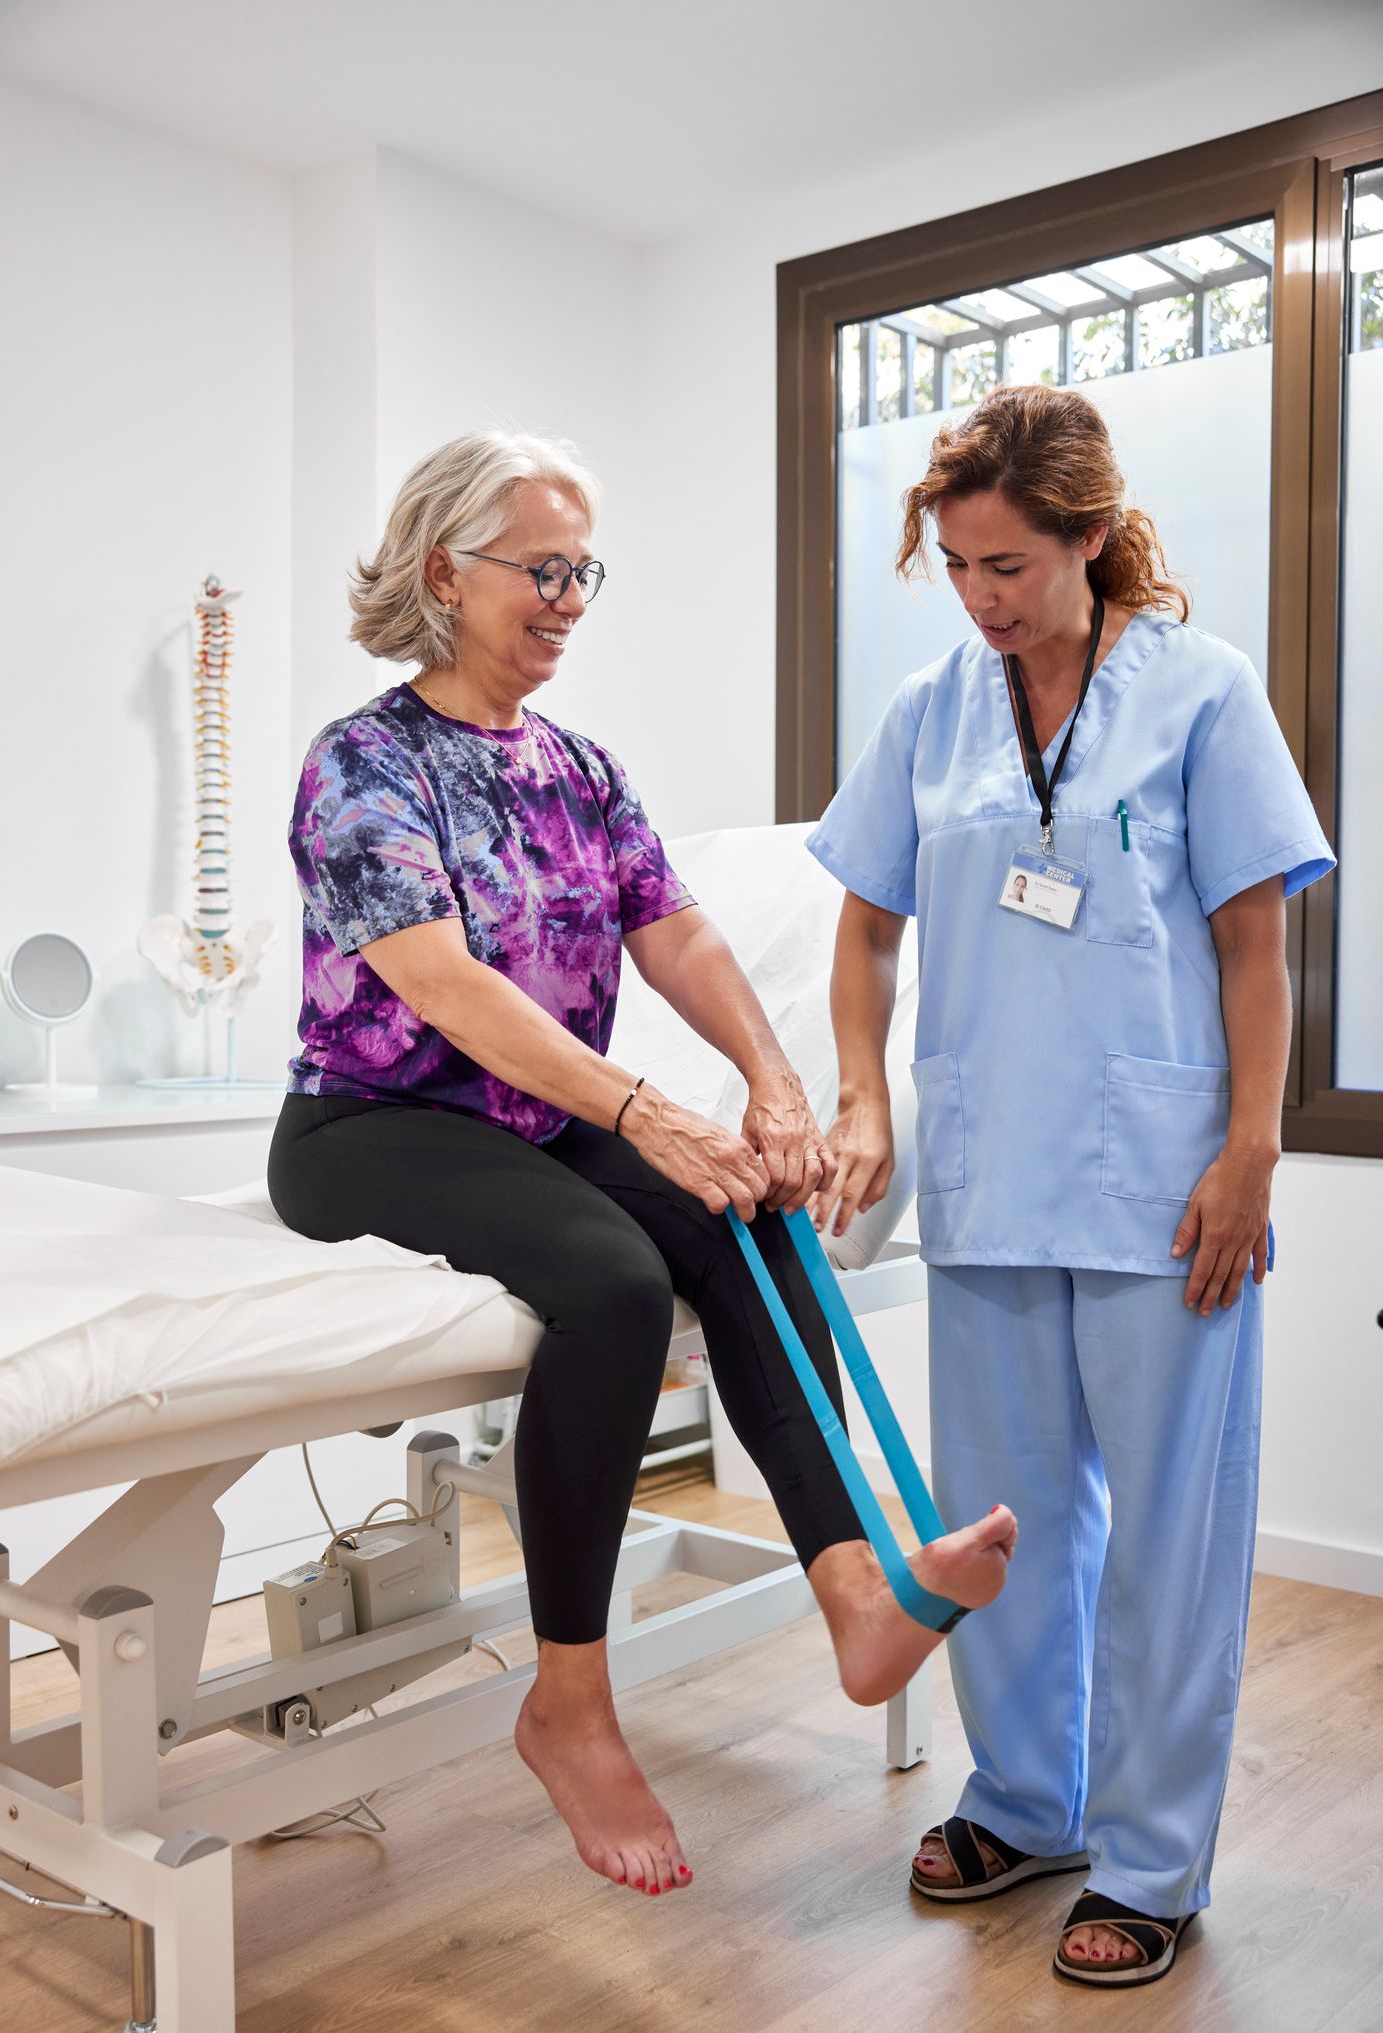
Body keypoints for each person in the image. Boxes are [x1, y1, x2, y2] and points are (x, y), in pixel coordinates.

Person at [269, 431, 1018, 1900]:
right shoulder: (363, 764)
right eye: (540, 571)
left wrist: (772, 1081)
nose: (567, 600)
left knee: (750, 1225)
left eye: (581, 573)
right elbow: (445, 986)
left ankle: (855, 1590)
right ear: (445, 574)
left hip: (535, 1121)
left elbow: (677, 934)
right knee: (613, 1286)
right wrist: (644, 1112)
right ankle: (568, 1701)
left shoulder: (578, 768)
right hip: (371, 1124)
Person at [808, 384, 1333, 1987]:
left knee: (1170, 1541)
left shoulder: (1200, 691)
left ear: (1088, 538)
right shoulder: (929, 712)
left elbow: (1255, 944)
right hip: (988, 1174)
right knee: (1002, 1529)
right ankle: (1025, 1802)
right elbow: (864, 927)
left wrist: (1249, 1151)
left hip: (1164, 1185)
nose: (980, 598)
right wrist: (863, 1095)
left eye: (1009, 566)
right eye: (957, 567)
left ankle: (1151, 1859)